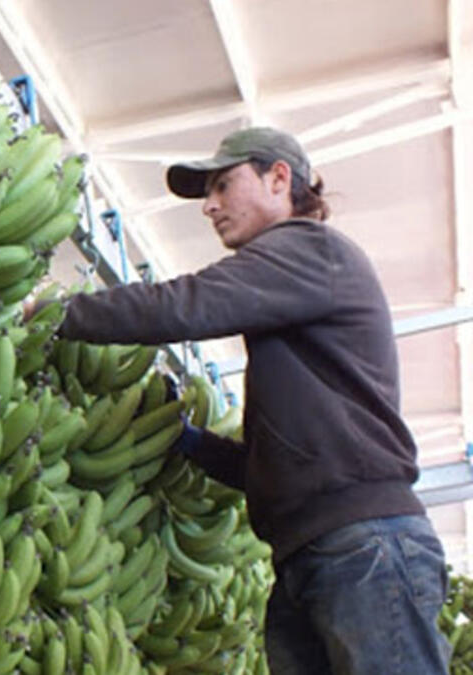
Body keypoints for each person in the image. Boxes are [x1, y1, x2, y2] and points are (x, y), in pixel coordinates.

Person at [38, 127, 450, 674]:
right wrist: (189, 441)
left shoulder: (312, 250)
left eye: (224, 185)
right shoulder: (296, 297)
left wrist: (59, 312)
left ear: (280, 178)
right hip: (317, 552)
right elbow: (274, 464)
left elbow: (189, 304)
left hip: (364, 547)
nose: (210, 206)